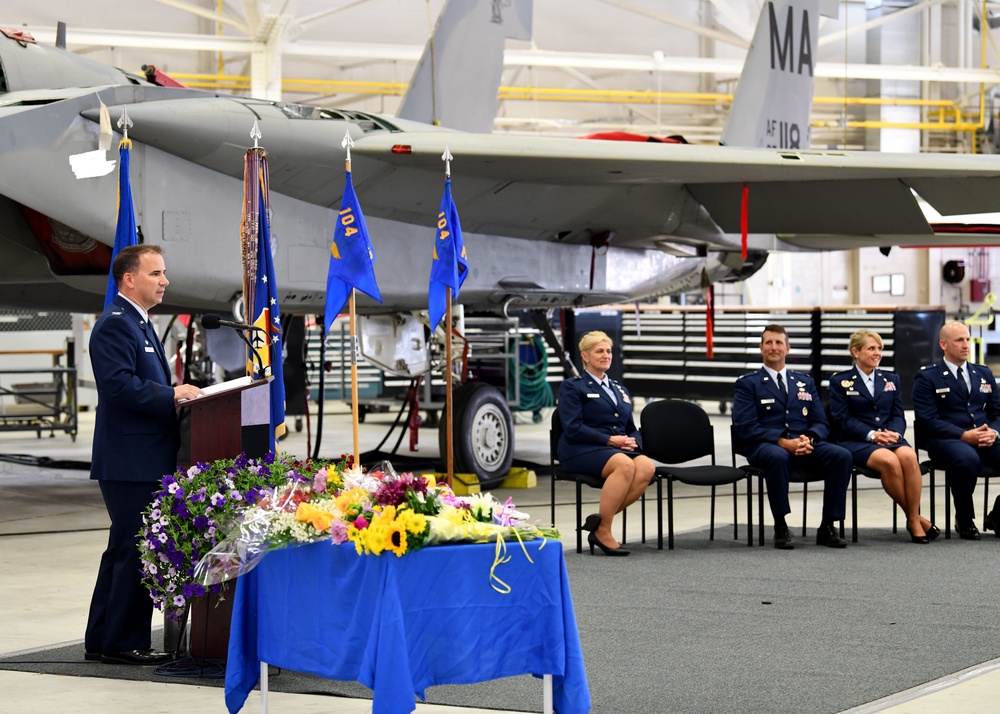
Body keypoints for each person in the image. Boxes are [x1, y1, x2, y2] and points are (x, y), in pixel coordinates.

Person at [84, 245, 203, 665]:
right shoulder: (116, 325)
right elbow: (117, 385)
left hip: (140, 455)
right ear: (129, 279)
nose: (165, 281)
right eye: (156, 274)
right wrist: (172, 394)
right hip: (129, 458)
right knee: (136, 548)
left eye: (164, 273)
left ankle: (103, 638)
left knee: (123, 547)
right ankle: (122, 642)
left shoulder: (139, 323)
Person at [733, 324, 852, 550]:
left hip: (802, 445)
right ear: (761, 348)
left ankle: (828, 525)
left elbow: (820, 422)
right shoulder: (748, 384)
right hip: (766, 446)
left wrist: (810, 438)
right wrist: (783, 441)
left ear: (788, 348)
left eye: (779, 343)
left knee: (842, 456)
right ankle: (780, 525)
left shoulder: (804, 382)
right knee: (778, 457)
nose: (774, 347)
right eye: (769, 342)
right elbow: (745, 426)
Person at [828, 329, 938, 544]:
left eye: (879, 348)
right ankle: (915, 520)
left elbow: (898, 413)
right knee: (889, 461)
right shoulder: (840, 382)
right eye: (871, 348)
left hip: (890, 436)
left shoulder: (891, 378)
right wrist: (871, 435)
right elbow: (842, 418)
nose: (877, 353)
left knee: (908, 457)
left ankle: (912, 517)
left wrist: (895, 433)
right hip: (857, 440)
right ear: (856, 352)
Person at [557, 331, 654, 556]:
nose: (605, 355)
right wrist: (608, 439)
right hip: (579, 448)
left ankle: (599, 524)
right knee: (625, 465)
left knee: (647, 466)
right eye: (599, 351)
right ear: (585, 356)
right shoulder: (574, 387)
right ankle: (605, 531)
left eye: (608, 351)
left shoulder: (620, 389)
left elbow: (630, 426)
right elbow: (573, 427)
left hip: (613, 448)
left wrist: (633, 442)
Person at [912, 320, 1000, 540]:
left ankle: (998, 515)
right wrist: (962, 434)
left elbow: (997, 412)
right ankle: (964, 518)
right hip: (947, 440)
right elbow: (927, 419)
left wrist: (995, 432)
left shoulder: (983, 373)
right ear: (943, 344)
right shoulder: (927, 377)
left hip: (984, 437)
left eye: (968, 339)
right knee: (966, 459)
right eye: (959, 340)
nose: (966, 345)